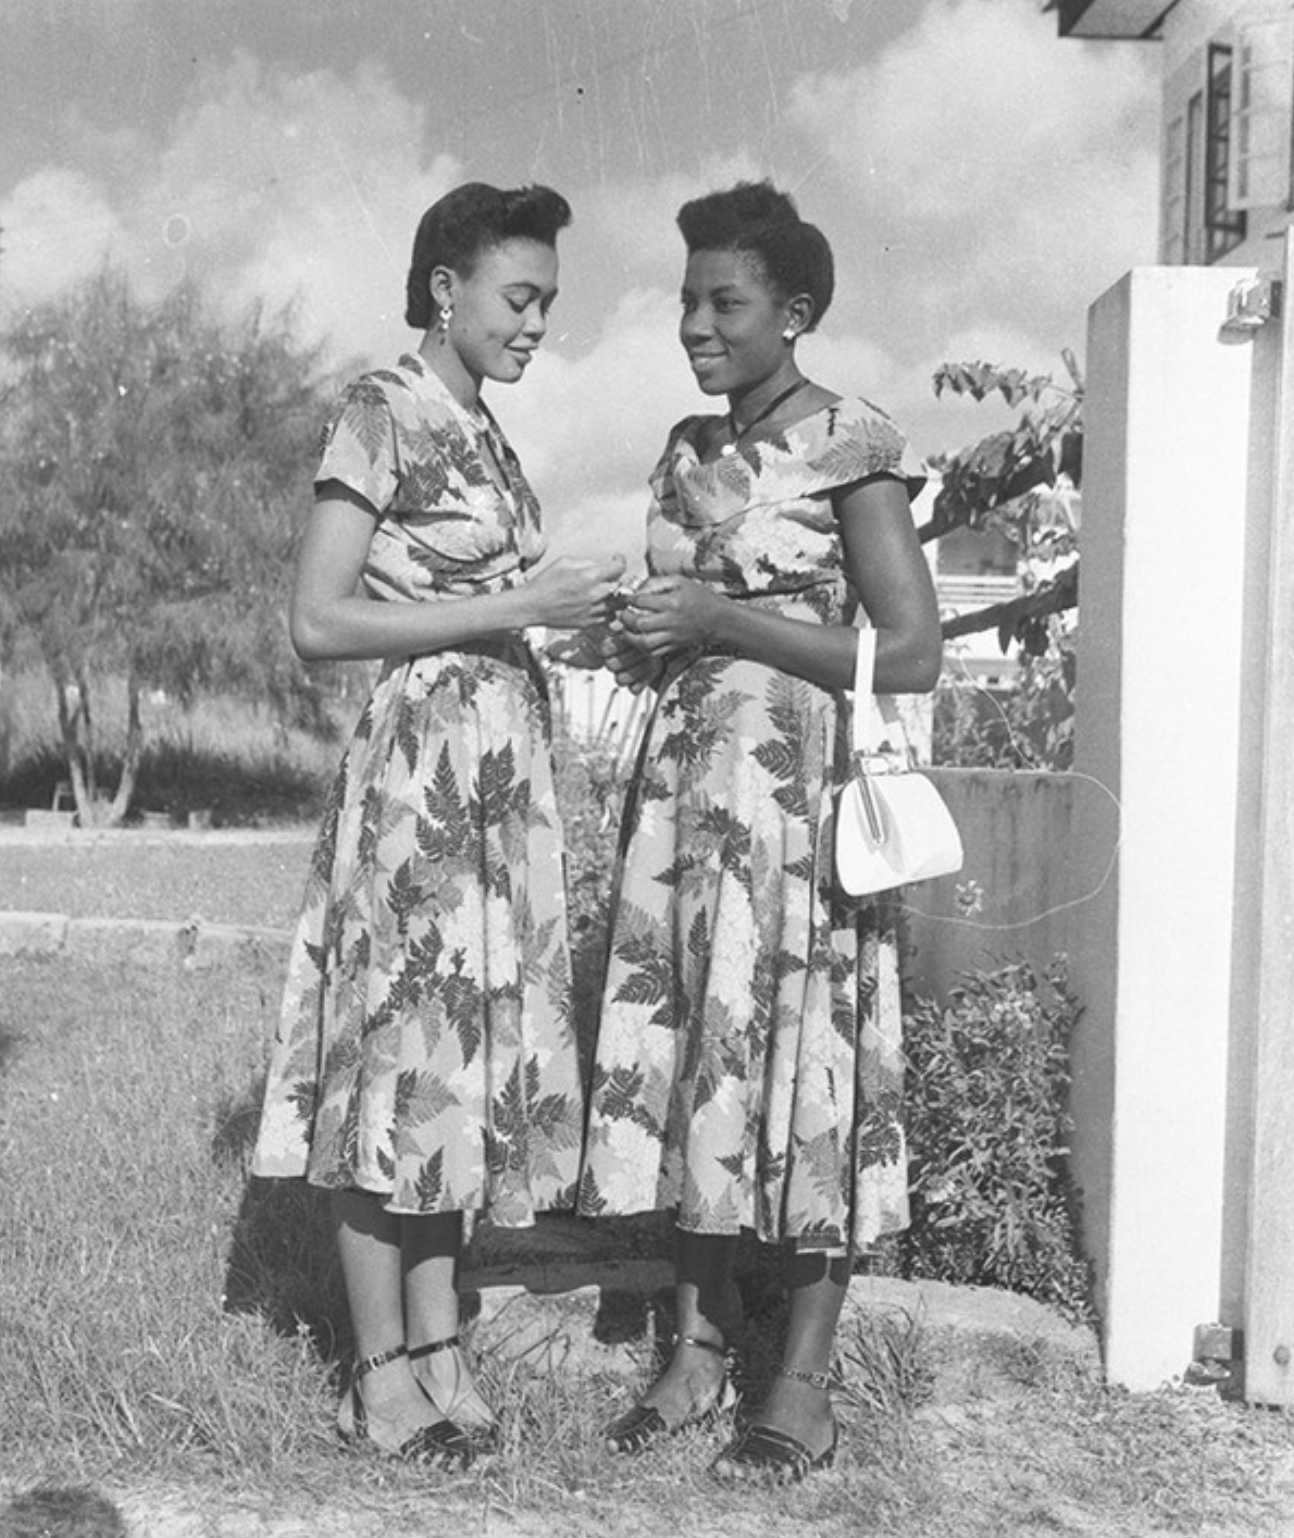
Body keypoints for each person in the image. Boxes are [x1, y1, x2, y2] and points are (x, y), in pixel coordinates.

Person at [250, 181, 624, 1470]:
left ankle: (440, 1348)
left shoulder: (488, 433)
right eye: (520, 299)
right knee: (390, 1069)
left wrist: (564, 614)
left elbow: (489, 602)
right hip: (421, 776)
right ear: (444, 290)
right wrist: (513, 600)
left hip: (498, 779)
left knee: (460, 1069)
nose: (535, 326)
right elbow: (318, 620)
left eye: (548, 305)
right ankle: (377, 1374)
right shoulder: (382, 408)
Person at [574, 180, 941, 1483]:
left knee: (807, 1066)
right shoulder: (683, 448)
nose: (694, 323)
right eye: (685, 299)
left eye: (724, 301)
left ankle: (804, 1384)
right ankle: (691, 1353)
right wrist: (633, 631)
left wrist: (722, 622)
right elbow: (676, 619)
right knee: (696, 1057)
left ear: (793, 311)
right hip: (684, 800)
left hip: (797, 815)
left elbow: (910, 648)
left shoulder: (853, 439)